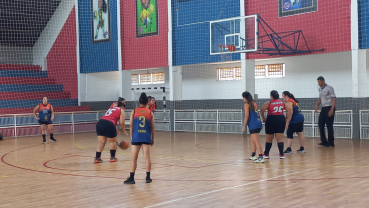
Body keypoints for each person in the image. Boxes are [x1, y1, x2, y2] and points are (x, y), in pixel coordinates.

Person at [124, 92, 155, 184]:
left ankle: (132, 178)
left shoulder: (134, 111)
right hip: (146, 137)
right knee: (147, 158)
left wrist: (131, 137)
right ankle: (148, 177)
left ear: (139, 101)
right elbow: (152, 127)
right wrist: (152, 138)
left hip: (136, 137)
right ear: (147, 102)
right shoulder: (150, 112)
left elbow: (131, 126)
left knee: (134, 158)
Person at [260, 90, 291, 159]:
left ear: (271, 96)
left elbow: (262, 110)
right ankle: (281, 154)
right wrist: (286, 118)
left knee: (269, 139)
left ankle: (266, 154)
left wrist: (263, 118)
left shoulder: (269, 103)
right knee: (280, 138)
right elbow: (289, 110)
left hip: (271, 120)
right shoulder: (282, 103)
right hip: (280, 119)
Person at [242, 91, 264, 163]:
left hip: (253, 124)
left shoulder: (246, 104)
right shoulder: (254, 103)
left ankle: (261, 156)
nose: (243, 99)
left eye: (243, 97)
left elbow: (247, 115)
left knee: (256, 141)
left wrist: (244, 125)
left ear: (245, 98)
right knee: (252, 140)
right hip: (258, 122)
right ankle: (253, 155)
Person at [315, 76, 336, 147]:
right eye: (318, 82)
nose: (318, 83)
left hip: (329, 107)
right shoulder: (320, 89)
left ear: (323, 81)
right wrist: (317, 104)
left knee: (329, 125)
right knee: (320, 124)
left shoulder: (329, 88)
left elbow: (334, 99)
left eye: (319, 82)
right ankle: (324, 141)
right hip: (323, 108)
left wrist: (332, 109)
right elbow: (320, 99)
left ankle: (331, 142)